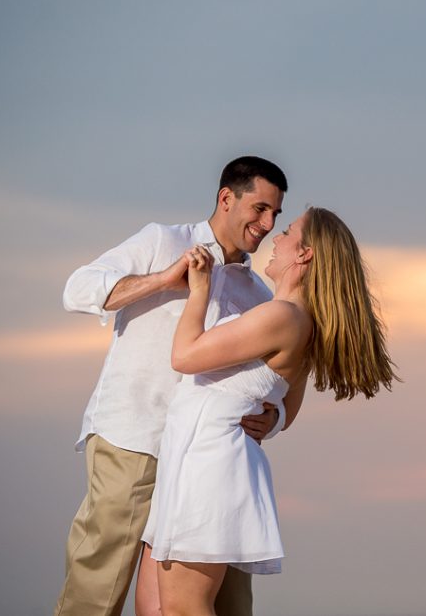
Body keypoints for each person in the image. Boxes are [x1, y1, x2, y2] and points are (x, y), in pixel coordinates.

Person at [55, 156, 297, 616]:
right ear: (227, 198)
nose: (267, 224)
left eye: (276, 215)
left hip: (211, 462)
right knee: (99, 584)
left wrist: (275, 417)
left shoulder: (260, 297)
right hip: (135, 440)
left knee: (227, 600)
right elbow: (78, 289)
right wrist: (164, 279)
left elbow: (273, 378)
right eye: (260, 209)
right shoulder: (163, 241)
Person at [135, 207, 397, 616]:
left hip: (208, 465)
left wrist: (200, 289)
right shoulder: (295, 318)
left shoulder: (283, 317)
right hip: (190, 459)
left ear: (305, 254)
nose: (276, 238)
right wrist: (270, 420)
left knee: (184, 608)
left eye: (288, 232)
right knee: (154, 608)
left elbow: (184, 356)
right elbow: (286, 410)